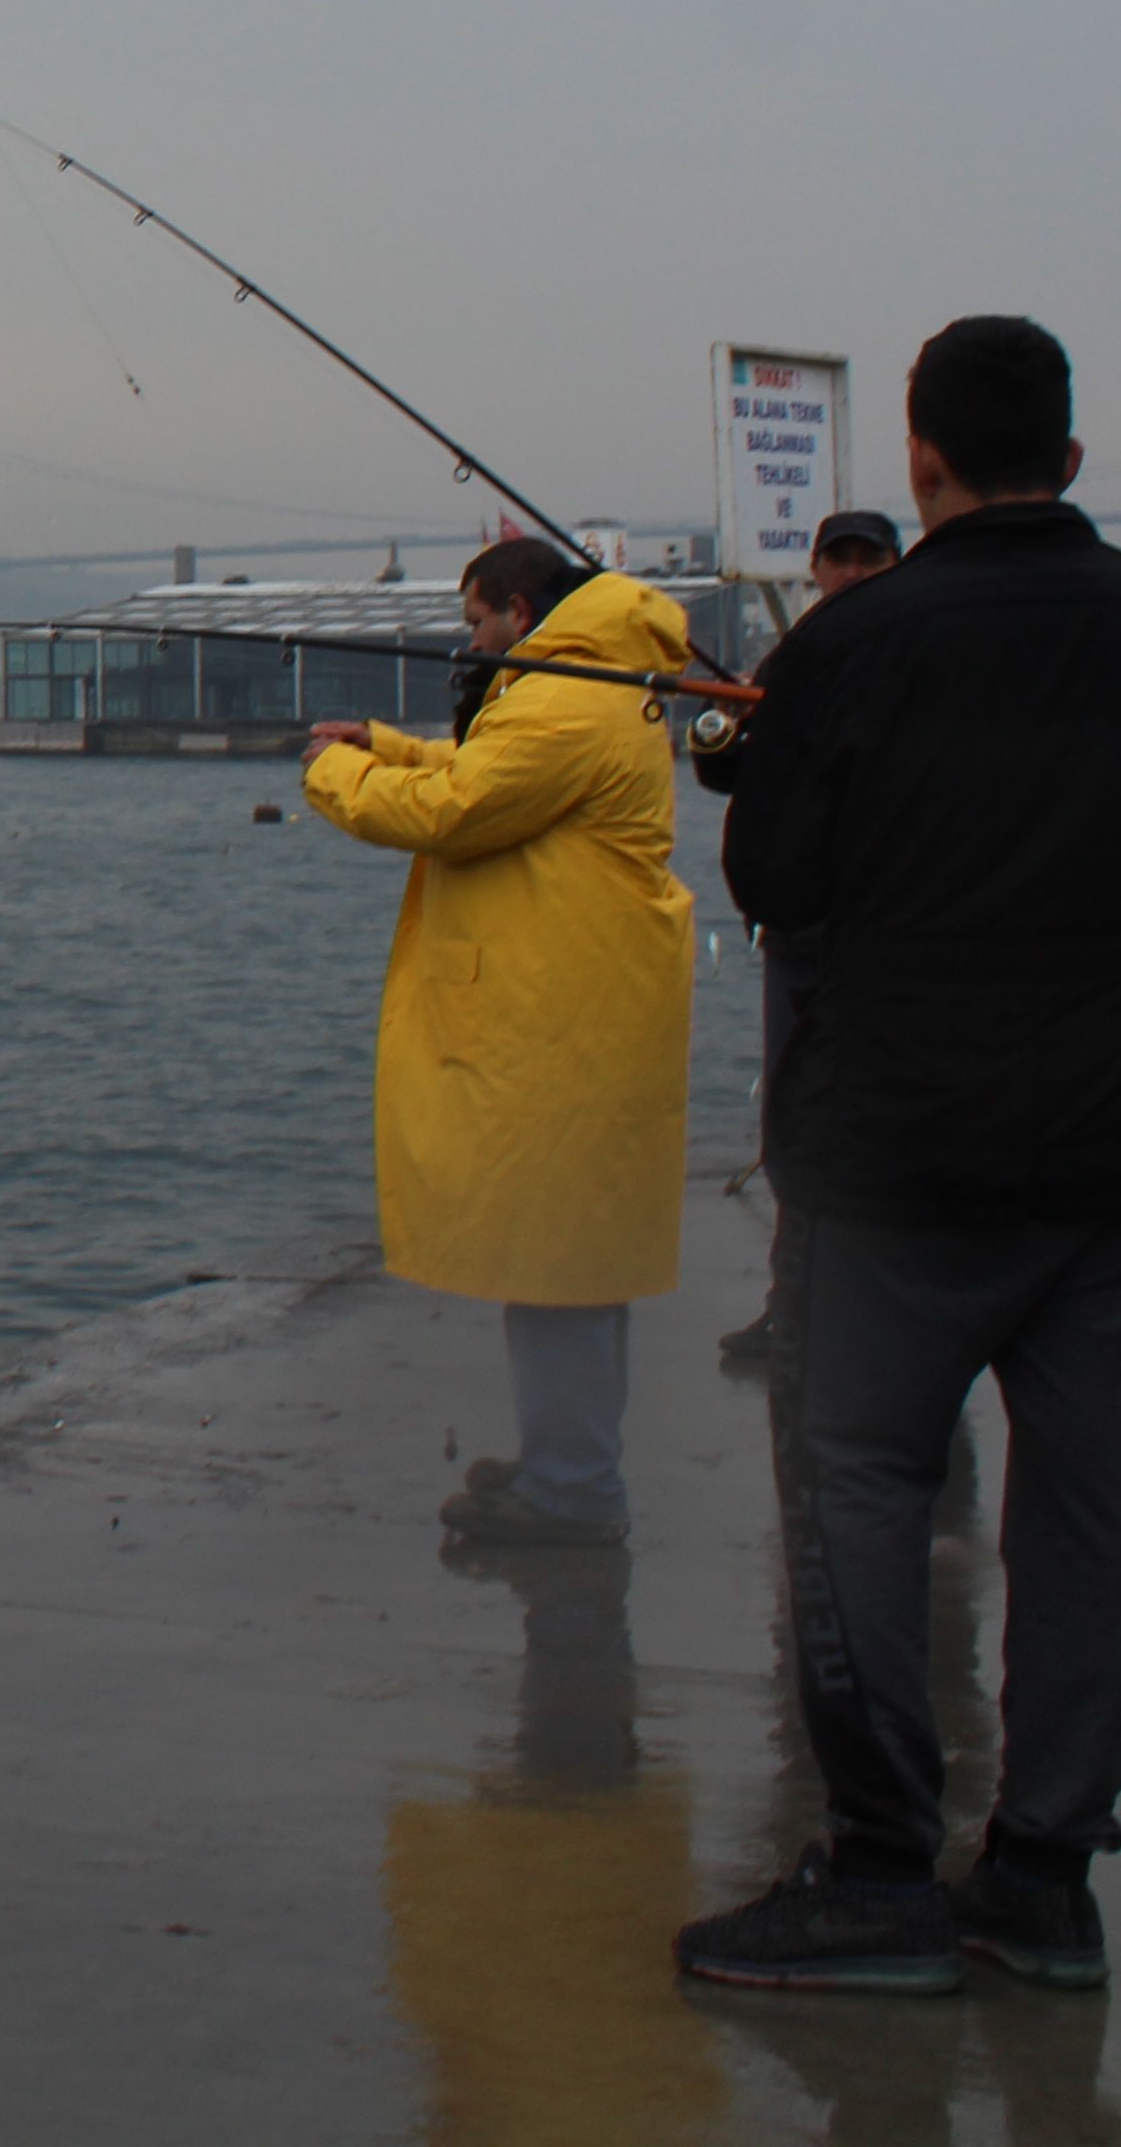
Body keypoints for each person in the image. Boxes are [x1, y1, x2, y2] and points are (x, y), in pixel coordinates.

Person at [677, 316, 1121, 1998]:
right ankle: (1041, 1876)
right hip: (1118, 1155)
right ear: (1069, 455)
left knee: (855, 1487)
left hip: (891, 1154)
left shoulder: (849, 643)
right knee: (1092, 1505)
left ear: (915, 458)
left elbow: (776, 892)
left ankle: (882, 1872)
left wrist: (796, 739)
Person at [303, 535, 702, 1550]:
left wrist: (334, 779)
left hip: (564, 1021)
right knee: (566, 1266)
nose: (469, 639)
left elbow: (459, 807)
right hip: (578, 1010)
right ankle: (568, 1468)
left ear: (520, 612)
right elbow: (487, 767)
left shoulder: (565, 697)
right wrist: (385, 742)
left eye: (476, 618)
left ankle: (572, 1492)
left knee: (557, 1271)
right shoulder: (591, 679)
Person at [692, 503, 904, 1371]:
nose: (851, 572)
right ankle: (798, 1308)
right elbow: (727, 769)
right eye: (838, 559)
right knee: (793, 1128)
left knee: (872, 1132)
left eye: (869, 558)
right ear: (815, 568)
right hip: (792, 933)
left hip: (877, 939)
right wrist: (722, 725)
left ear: (897, 563)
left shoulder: (904, 653)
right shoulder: (791, 657)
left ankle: (869, 1315)